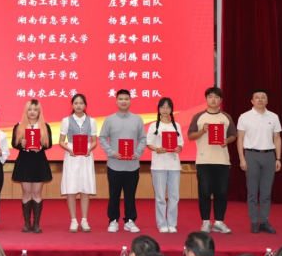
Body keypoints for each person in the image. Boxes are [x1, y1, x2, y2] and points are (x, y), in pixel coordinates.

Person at [188, 87, 237, 235]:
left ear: (220, 100)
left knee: (221, 193)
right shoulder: (199, 117)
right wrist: (202, 131)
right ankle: (205, 222)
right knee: (204, 192)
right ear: (206, 99)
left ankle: (219, 222)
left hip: (222, 161)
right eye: (210, 97)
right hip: (204, 161)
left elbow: (233, 135)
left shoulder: (226, 117)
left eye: (216, 97)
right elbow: (190, 136)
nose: (213, 99)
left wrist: (227, 141)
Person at [99, 89, 147, 233]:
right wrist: (111, 152)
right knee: (114, 194)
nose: (123, 101)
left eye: (126, 99)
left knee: (130, 195)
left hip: (132, 165)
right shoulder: (109, 119)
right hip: (114, 165)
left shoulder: (137, 119)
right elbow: (102, 138)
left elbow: (143, 139)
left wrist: (138, 153)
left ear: (130, 101)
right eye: (121, 99)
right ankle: (113, 220)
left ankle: (130, 220)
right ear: (116, 101)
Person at [237, 89, 282, 234]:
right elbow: (240, 139)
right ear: (252, 101)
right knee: (252, 192)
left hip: (269, 156)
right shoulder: (244, 117)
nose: (260, 100)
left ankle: (264, 221)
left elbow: (277, 138)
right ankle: (254, 222)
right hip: (251, 155)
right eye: (257, 97)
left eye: (263, 97)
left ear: (267, 101)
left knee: (266, 192)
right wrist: (242, 158)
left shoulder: (274, 117)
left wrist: (278, 158)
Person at [11, 99, 53, 234]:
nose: (32, 112)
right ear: (26, 111)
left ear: (39, 111)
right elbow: (13, 143)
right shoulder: (19, 126)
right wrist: (21, 144)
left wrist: (42, 144)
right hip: (24, 162)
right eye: (30, 109)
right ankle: (27, 223)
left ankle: (36, 224)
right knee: (26, 193)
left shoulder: (45, 126)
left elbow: (49, 144)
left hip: (39, 163)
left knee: (36, 193)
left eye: (35, 109)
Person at [60, 94, 98, 233]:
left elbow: (94, 141)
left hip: (86, 156)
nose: (78, 105)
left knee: (85, 188)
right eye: (76, 103)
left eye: (81, 103)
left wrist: (89, 149)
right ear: (72, 105)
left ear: (85, 105)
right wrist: (69, 149)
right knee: (71, 189)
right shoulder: (66, 120)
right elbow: (61, 141)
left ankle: (84, 220)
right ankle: (73, 220)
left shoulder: (91, 121)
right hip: (72, 156)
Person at [146, 98, 185, 233]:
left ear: (171, 109)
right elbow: (149, 143)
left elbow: (180, 143)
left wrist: (179, 148)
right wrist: (157, 149)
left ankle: (172, 223)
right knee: (160, 197)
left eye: (168, 107)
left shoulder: (176, 125)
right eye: (162, 107)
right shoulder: (153, 126)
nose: (165, 110)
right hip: (158, 166)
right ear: (158, 109)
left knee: (174, 196)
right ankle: (162, 223)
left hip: (174, 165)